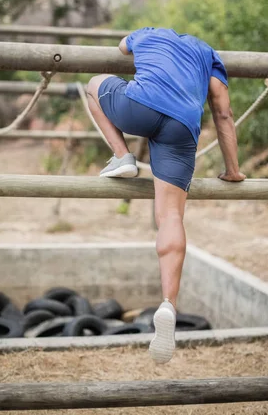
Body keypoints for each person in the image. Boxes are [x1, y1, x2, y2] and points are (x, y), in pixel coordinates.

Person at [86, 27, 245, 364]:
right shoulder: (207, 52)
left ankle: (122, 156)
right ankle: (168, 303)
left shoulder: (148, 33)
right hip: (182, 124)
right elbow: (222, 110)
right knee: (171, 215)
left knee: (94, 84)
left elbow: (120, 47)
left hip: (138, 107)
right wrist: (233, 169)